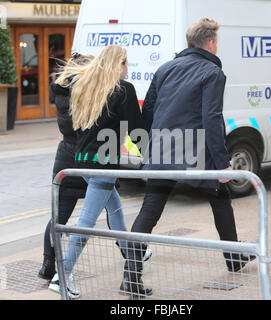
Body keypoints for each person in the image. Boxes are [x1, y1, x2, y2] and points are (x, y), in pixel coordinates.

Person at [121, 18, 255, 297]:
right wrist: (221, 163)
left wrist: (150, 148)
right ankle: (233, 257)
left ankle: (130, 276)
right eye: (217, 41)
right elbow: (211, 117)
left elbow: (149, 112)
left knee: (150, 210)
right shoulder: (212, 73)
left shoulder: (165, 68)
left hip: (162, 149)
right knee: (220, 199)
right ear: (210, 43)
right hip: (196, 152)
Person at [48, 45, 150, 299]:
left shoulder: (89, 87)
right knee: (86, 224)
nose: (128, 70)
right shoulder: (123, 90)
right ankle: (62, 276)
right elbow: (136, 130)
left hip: (82, 161)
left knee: (115, 213)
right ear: (120, 65)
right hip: (102, 165)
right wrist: (149, 157)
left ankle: (134, 254)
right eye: (127, 65)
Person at [38, 53, 94, 281]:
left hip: (65, 157)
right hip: (87, 159)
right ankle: (132, 259)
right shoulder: (85, 95)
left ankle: (47, 265)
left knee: (58, 217)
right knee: (112, 213)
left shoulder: (61, 91)